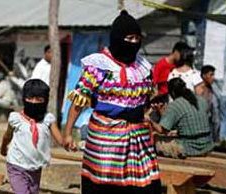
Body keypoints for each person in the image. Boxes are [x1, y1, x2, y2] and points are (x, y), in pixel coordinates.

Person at [63, 11, 161, 194]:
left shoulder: (143, 66)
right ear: (117, 38)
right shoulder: (98, 66)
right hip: (105, 138)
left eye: (137, 38)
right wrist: (68, 132)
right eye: (129, 38)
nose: (133, 43)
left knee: (146, 184)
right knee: (105, 185)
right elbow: (79, 102)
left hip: (138, 138)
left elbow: (146, 101)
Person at [0, 79, 63, 194]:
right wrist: (3, 148)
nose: (34, 102)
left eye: (39, 99)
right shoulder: (16, 118)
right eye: (30, 98)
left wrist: (69, 143)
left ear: (45, 100)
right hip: (16, 165)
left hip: (35, 167)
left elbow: (60, 139)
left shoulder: (47, 119)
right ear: (24, 99)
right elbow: (7, 136)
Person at [150, 78, 214, 158]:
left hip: (189, 148)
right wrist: (162, 112)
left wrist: (150, 121)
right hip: (207, 145)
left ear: (172, 92)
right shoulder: (201, 100)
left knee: (155, 137)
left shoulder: (175, 105)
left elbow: (162, 130)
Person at [200, 65, 220, 141]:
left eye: (213, 75)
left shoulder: (212, 88)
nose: (213, 77)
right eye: (211, 75)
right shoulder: (200, 88)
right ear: (204, 76)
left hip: (210, 119)